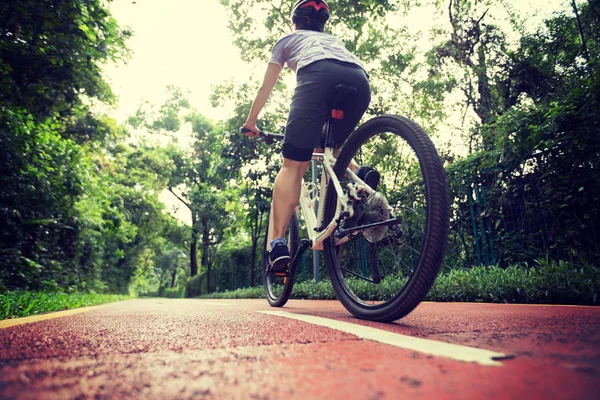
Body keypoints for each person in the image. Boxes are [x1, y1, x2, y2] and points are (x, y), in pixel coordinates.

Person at [243, 0, 375, 271]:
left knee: (293, 164)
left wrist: (251, 122)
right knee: (331, 150)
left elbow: (265, 86)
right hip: (359, 79)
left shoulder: (287, 40)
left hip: (318, 75)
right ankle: (361, 175)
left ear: (296, 22)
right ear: (321, 24)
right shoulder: (334, 41)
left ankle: (277, 243)